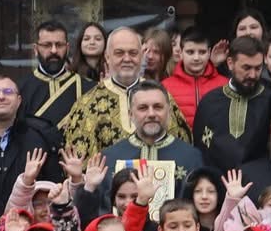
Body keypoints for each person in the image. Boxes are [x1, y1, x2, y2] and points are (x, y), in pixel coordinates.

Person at [63, 27, 190, 160]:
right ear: (107, 57)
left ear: (141, 56)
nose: (127, 59)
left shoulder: (162, 97)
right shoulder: (87, 104)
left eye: (133, 53)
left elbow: (181, 149)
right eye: (119, 53)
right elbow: (79, 162)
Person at [0, 74, 64, 223]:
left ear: (19, 100)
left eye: (8, 92)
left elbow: (55, 188)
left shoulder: (41, 136)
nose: (1, 97)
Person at [101, 81, 204, 197]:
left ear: (169, 112)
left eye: (158, 107)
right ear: (130, 114)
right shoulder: (110, 157)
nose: (151, 114)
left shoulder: (191, 157)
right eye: (143, 108)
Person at [193, 35, 271, 171]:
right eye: (246, 68)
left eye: (258, 68)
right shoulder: (209, 102)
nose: (253, 75)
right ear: (230, 63)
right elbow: (200, 148)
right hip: (217, 183)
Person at [21, 21, 91, 126]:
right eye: (47, 45)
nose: (54, 50)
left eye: (59, 45)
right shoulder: (20, 89)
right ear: (35, 49)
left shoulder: (87, 88)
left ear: (67, 49)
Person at [158, 27, 223, 129]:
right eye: (190, 52)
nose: (196, 58)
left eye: (202, 52)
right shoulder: (165, 87)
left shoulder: (224, 84)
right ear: (181, 53)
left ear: (209, 53)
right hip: (179, 144)